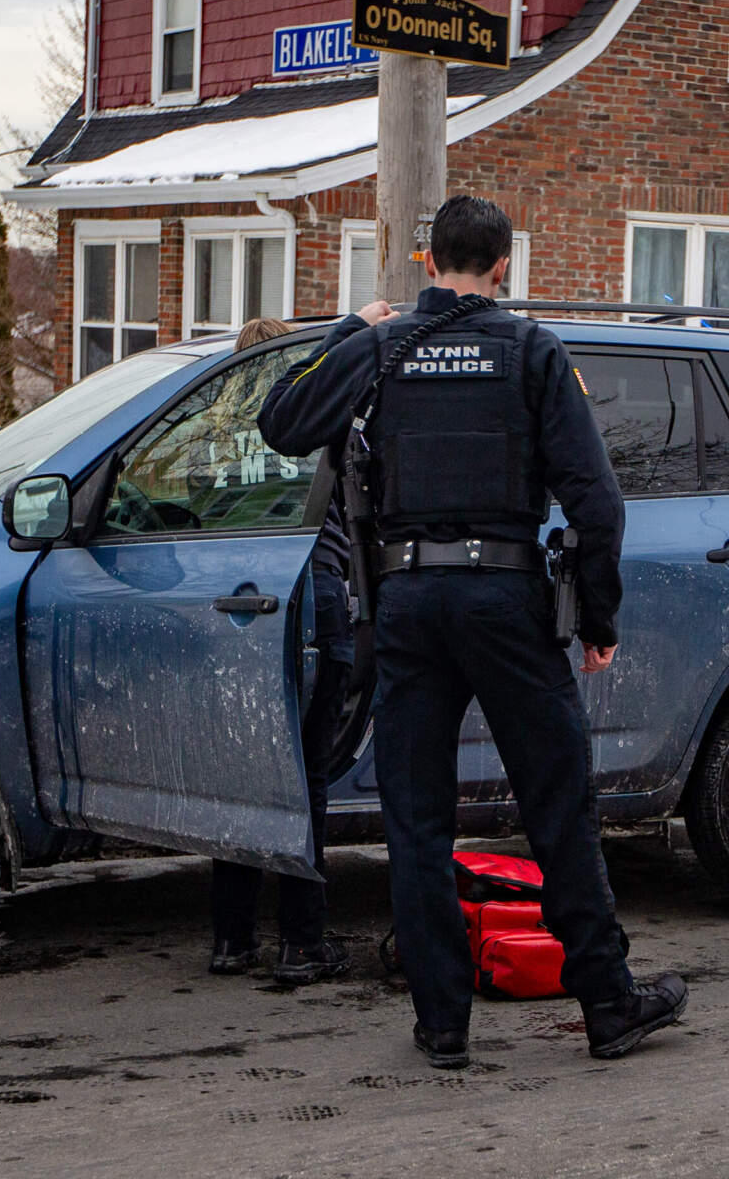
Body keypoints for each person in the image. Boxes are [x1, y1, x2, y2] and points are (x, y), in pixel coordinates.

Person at [258, 195, 688, 1069]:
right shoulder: (531, 351)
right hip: (503, 601)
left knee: (417, 821)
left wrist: (349, 329)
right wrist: (597, 618)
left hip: (408, 603)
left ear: (426, 264)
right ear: (503, 267)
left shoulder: (379, 348)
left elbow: (280, 420)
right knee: (557, 805)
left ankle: (441, 1023)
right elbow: (595, 500)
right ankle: (608, 1004)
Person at [207, 311, 376, 985]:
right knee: (303, 776)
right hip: (313, 602)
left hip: (234, 607)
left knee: (237, 775)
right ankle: (302, 942)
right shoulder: (318, 419)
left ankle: (232, 937)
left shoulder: (212, 436)